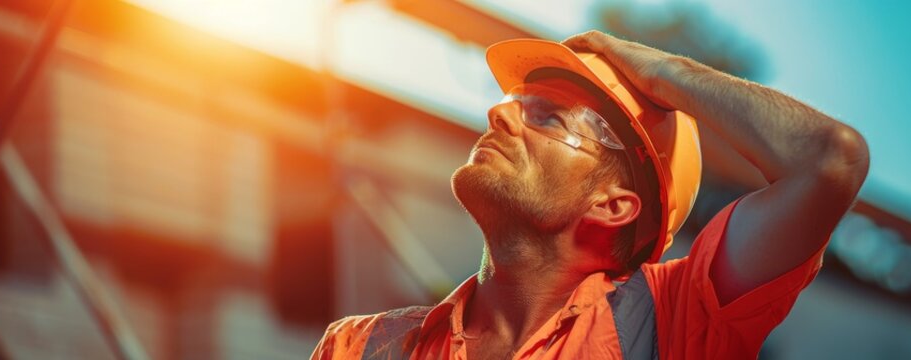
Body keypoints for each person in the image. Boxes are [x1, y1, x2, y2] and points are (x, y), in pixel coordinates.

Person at [310, 30, 869, 360]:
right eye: (513, 102)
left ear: (613, 204)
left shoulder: (671, 323)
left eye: (547, 116)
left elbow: (829, 160)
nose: (497, 113)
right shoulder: (360, 346)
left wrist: (666, 72)